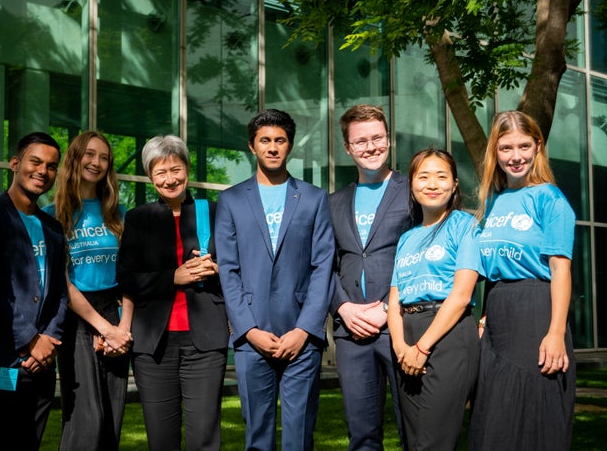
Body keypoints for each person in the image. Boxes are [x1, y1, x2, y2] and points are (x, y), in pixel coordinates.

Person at [215, 109, 335, 450]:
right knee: (258, 437)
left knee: (299, 437)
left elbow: (322, 267)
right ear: (252, 147)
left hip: (302, 336)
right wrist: (248, 330)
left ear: (290, 146)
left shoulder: (314, 199)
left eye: (279, 140)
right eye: (264, 140)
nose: (272, 147)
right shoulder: (231, 199)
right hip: (251, 336)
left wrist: (304, 329)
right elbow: (228, 269)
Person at [469, 111, 576, 450]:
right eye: (506, 148)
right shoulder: (494, 202)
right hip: (499, 315)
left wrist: (556, 332)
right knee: (494, 417)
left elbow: (560, 270)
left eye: (524, 146)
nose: (516, 156)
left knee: (532, 415)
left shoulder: (551, 199)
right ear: (494, 152)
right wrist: (485, 314)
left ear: (538, 146)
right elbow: (493, 267)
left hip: (536, 312)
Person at [117, 135, 228, 451]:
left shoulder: (215, 212)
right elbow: (126, 280)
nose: (170, 179)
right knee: (161, 439)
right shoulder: (139, 218)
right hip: (154, 345)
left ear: (188, 169)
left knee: (204, 438)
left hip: (205, 342)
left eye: (175, 169)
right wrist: (173, 277)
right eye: (160, 172)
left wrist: (217, 270)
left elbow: (240, 269)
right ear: (150, 177)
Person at [0, 132, 69, 451]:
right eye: (36, 162)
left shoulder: (53, 227)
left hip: (43, 363)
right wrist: (29, 339)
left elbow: (60, 291)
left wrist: (50, 339)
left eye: (52, 166)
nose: (44, 171)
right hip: (5, 359)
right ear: (15, 163)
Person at [43, 131, 132, 451]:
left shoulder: (119, 215)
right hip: (76, 317)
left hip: (117, 314)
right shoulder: (52, 214)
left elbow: (129, 276)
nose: (96, 162)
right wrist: (103, 327)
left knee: (111, 417)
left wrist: (121, 329)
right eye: (89, 154)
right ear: (75, 158)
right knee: (86, 417)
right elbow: (62, 282)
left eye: (104, 157)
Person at [386, 148, 480, 450]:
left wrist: (422, 347)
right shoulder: (407, 238)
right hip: (407, 338)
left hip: (447, 334)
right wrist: (402, 348)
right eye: (423, 176)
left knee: (433, 442)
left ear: (454, 185)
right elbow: (395, 299)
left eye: (441, 176)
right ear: (412, 185)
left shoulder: (464, 225)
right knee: (413, 441)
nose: (432, 183)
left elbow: (462, 295)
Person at [328, 104, 409, 450]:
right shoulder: (332, 203)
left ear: (389, 140)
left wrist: (391, 307)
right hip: (351, 333)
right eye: (361, 141)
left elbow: (428, 257)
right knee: (361, 435)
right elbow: (323, 265)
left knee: (415, 428)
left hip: (404, 327)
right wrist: (343, 308)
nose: (371, 147)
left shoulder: (414, 190)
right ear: (347, 148)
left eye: (377, 138)